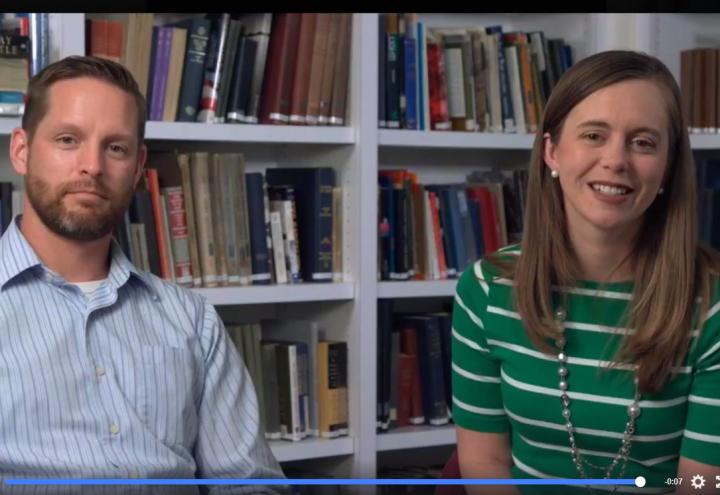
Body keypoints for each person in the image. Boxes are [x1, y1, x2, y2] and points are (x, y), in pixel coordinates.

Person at [2, 55, 287, 494]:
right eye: (67, 139)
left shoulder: (192, 319)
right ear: (21, 151)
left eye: (115, 147)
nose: (92, 166)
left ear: (137, 168)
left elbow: (249, 484)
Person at [451, 50, 720, 495]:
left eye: (643, 142)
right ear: (552, 150)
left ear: (669, 168)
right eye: (594, 134)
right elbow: (484, 462)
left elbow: (703, 484)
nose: (616, 160)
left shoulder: (711, 306)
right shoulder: (485, 291)